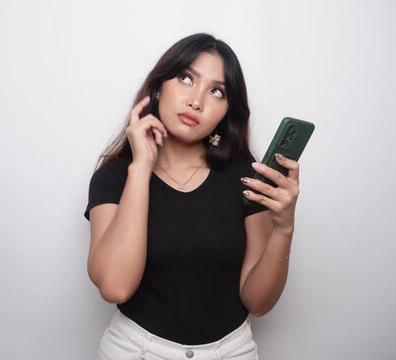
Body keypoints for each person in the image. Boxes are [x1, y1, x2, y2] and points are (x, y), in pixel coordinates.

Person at [84, 33, 300, 360]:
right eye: (186, 78)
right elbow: (115, 287)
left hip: (231, 352)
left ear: (227, 111)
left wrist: (284, 229)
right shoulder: (113, 178)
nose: (196, 101)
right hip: (136, 351)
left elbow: (259, 303)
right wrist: (142, 166)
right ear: (158, 88)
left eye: (216, 91)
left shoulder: (246, 178)